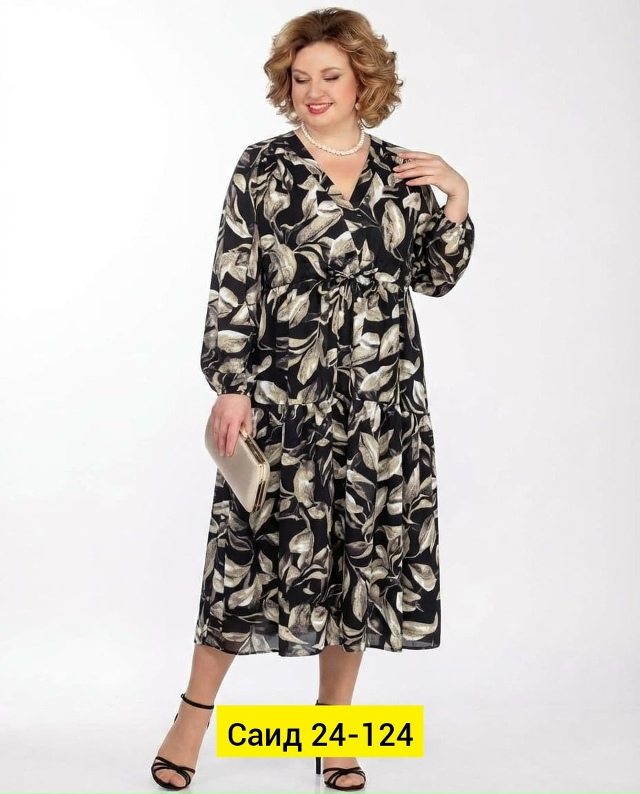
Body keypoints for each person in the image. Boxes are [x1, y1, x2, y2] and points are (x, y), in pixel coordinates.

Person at [150, 6, 475, 791]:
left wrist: (458, 196)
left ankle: (334, 734)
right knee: (244, 560)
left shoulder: (400, 171)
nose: (314, 90)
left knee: (355, 566)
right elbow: (235, 278)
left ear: (365, 81)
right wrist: (231, 385)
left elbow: (434, 277)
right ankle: (191, 719)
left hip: (381, 405)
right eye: (300, 79)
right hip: (282, 400)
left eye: (330, 75)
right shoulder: (262, 167)